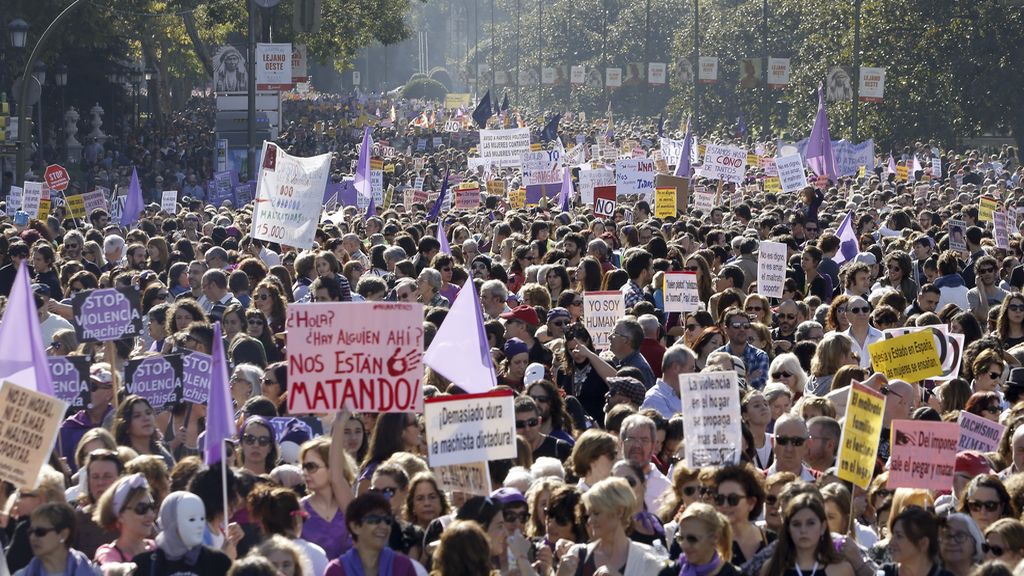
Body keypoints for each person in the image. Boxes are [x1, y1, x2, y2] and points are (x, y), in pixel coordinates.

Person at [561, 477, 668, 575]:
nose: (590, 520)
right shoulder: (577, 555)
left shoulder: (648, 560)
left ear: (619, 512)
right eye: (589, 515)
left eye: (596, 513)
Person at [133, 491, 233, 576]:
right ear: (171, 521)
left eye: (202, 518)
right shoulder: (144, 565)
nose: (199, 525)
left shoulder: (218, 562)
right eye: (192, 519)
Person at [760, 493, 854, 576]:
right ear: (788, 528)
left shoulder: (841, 570)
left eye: (810, 523)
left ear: (823, 527)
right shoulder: (772, 568)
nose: (803, 530)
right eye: (796, 524)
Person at [14, 502, 96, 576]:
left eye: (40, 532)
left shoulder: (92, 572)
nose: (32, 537)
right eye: (30, 532)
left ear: (63, 534)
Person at [93, 473, 158, 565]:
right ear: (120, 515)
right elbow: (109, 568)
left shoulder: (157, 548)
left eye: (152, 507)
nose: (150, 514)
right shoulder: (108, 554)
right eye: (141, 508)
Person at [880, 506, 954, 576]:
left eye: (899, 536)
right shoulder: (885, 573)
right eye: (893, 535)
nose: (891, 543)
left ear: (923, 543)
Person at [669, 503, 740, 575]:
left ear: (715, 538)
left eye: (692, 539)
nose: (684, 545)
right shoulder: (670, 572)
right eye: (681, 538)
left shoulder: (733, 574)